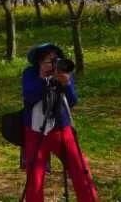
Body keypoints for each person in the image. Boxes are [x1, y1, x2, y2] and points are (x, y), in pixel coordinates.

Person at [21, 43, 99, 202]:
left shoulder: (64, 73)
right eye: (48, 61)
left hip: (62, 129)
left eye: (55, 60)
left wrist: (67, 84)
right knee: (34, 177)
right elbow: (29, 96)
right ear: (39, 62)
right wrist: (42, 79)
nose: (52, 64)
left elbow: (72, 101)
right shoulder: (30, 73)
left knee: (80, 168)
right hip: (36, 130)